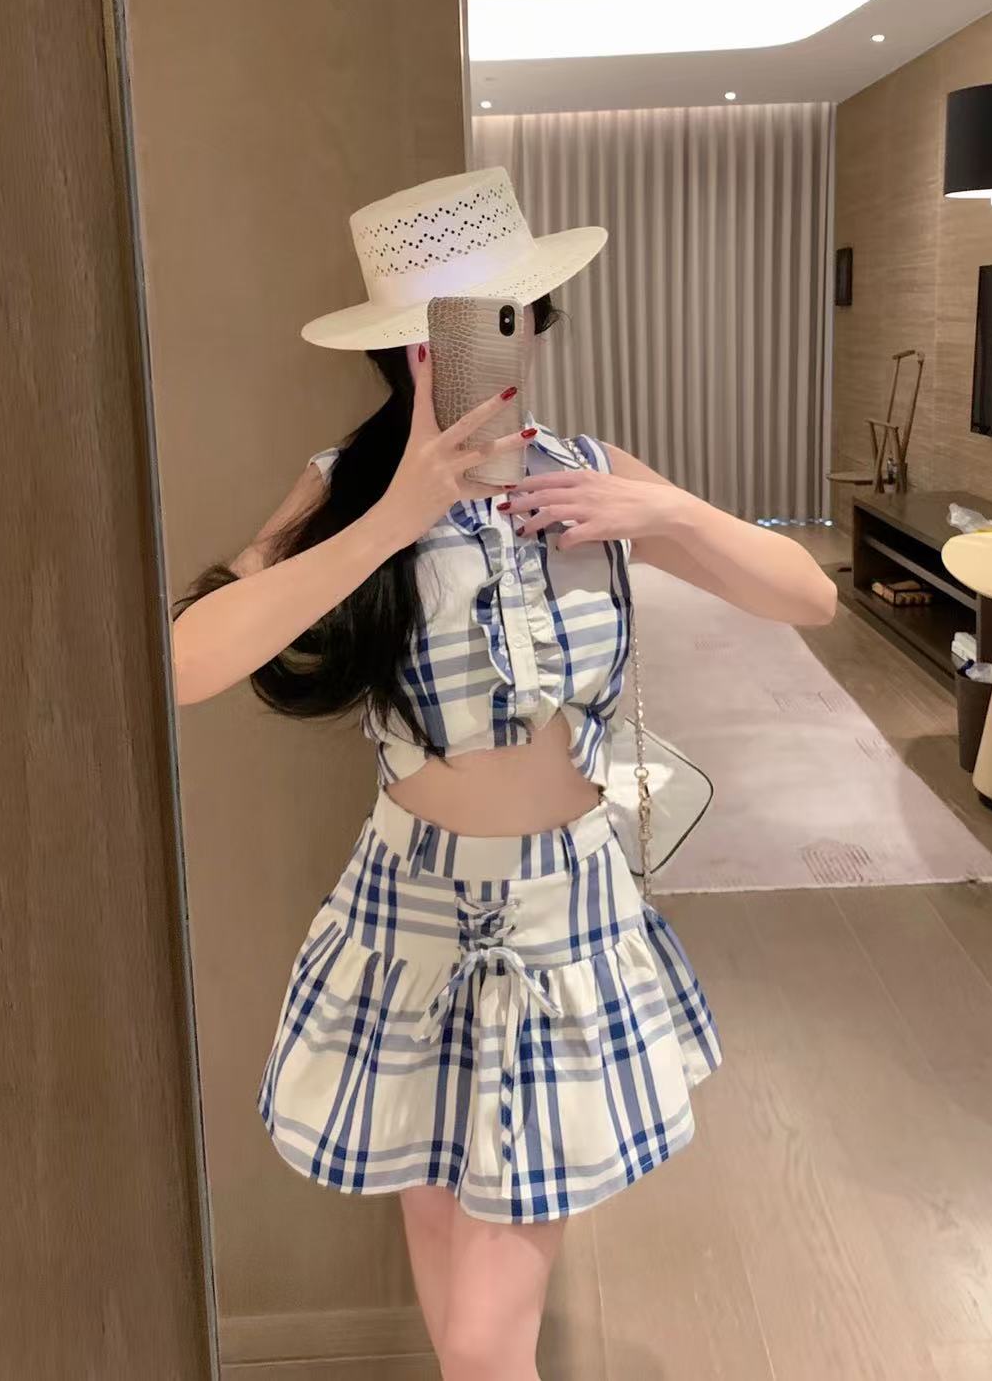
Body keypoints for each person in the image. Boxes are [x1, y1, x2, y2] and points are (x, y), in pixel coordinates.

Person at [172, 168, 837, 1381]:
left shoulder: (588, 468)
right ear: (403, 351)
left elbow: (809, 598)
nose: (486, 345)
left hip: (562, 915)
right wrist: (390, 517)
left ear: (533, 318)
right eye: (444, 330)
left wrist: (663, 513)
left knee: (484, 1344)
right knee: (461, 1331)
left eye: (503, 313)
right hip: (407, 916)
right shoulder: (344, 485)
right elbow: (183, 664)